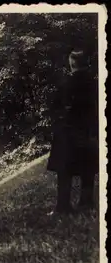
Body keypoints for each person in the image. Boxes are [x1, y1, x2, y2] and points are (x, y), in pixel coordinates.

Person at [47, 49, 99, 216]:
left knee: (64, 171)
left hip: (68, 132)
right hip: (89, 130)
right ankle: (87, 203)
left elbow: (55, 108)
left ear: (71, 64)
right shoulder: (95, 83)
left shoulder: (65, 84)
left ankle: (63, 206)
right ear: (87, 63)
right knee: (88, 169)